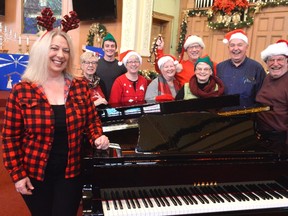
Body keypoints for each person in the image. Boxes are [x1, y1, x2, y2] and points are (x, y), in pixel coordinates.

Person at [1, 9, 109, 216]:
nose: (60, 55)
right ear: (43, 51)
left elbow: (91, 120)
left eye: (66, 50)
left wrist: (97, 136)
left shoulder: (79, 87)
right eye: (55, 48)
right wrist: (17, 175)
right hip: (34, 175)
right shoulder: (22, 90)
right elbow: (10, 138)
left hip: (70, 174)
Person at [217, 29, 267, 108]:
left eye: (240, 45)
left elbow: (262, 97)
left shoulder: (257, 68)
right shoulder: (220, 67)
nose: (235, 48)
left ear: (246, 47)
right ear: (228, 48)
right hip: (222, 116)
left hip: (247, 117)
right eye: (232, 45)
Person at [255, 40, 288, 153]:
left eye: (280, 59)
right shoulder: (268, 78)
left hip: (281, 141)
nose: (275, 63)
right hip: (263, 137)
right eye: (271, 60)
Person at [96, 33, 127, 101]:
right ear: (103, 48)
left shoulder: (122, 66)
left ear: (116, 48)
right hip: (100, 103)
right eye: (107, 46)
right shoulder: (96, 64)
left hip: (116, 103)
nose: (110, 48)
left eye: (112, 46)